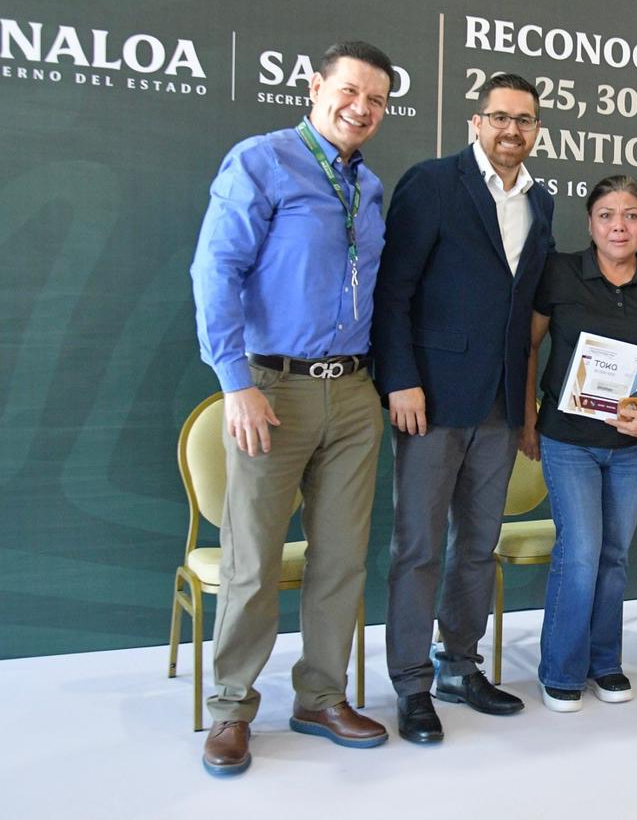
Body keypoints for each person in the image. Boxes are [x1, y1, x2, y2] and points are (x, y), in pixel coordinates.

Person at [190, 40, 394, 776]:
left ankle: (321, 698)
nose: (361, 108)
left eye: (376, 100)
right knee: (252, 559)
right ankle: (231, 708)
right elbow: (215, 269)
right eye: (350, 91)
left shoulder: (370, 187)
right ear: (315, 87)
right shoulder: (263, 161)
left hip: (354, 393)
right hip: (271, 391)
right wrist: (235, 382)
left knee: (340, 558)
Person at [371, 73, 554, 742]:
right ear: (476, 123)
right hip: (430, 400)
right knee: (419, 547)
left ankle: (459, 665)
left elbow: (526, 310)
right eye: (500, 117)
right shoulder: (432, 183)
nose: (512, 130)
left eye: (524, 120)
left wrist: (526, 404)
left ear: (536, 131)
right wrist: (399, 380)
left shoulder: (542, 202)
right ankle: (410, 683)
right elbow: (392, 292)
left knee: (477, 546)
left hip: (500, 405)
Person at [520, 176, 637, 712]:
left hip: (632, 445)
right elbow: (528, 346)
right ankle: (561, 670)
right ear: (591, 222)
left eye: (632, 215)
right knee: (581, 552)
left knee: (614, 556)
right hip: (568, 440)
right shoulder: (561, 272)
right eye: (607, 215)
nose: (619, 226)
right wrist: (527, 417)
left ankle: (605, 663)